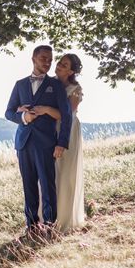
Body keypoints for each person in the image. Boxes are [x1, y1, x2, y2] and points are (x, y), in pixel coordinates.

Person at [4, 45, 72, 233]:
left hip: (46, 143)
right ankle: (31, 227)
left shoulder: (56, 85)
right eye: (43, 58)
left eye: (50, 59)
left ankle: (50, 226)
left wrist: (61, 142)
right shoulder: (20, 85)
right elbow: (9, 112)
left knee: (47, 186)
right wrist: (24, 118)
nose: (48, 62)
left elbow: (67, 116)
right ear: (33, 59)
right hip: (23, 143)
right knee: (29, 186)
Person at [30, 53, 85, 232]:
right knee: (48, 174)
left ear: (71, 71)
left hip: (67, 132)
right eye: (60, 62)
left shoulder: (75, 89)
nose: (59, 65)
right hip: (48, 130)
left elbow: (66, 114)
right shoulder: (48, 83)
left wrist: (45, 109)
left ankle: (64, 219)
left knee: (64, 172)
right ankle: (46, 218)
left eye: (64, 64)